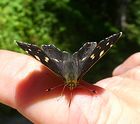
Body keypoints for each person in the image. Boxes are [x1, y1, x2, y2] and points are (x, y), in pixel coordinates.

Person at [0, 50, 140, 124]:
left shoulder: (68, 77)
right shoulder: (72, 76)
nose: (71, 86)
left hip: (66, 63)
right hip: (75, 63)